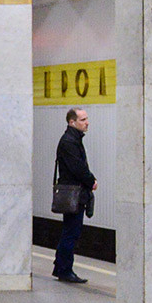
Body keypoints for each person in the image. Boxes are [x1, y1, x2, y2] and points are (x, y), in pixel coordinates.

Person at [52, 107, 96, 284]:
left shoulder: (72, 139)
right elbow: (77, 167)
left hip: (74, 192)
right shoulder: (69, 142)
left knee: (69, 231)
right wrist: (91, 180)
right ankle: (64, 270)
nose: (87, 122)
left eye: (86, 118)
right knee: (71, 232)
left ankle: (61, 266)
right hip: (73, 194)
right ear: (72, 122)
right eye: (83, 119)